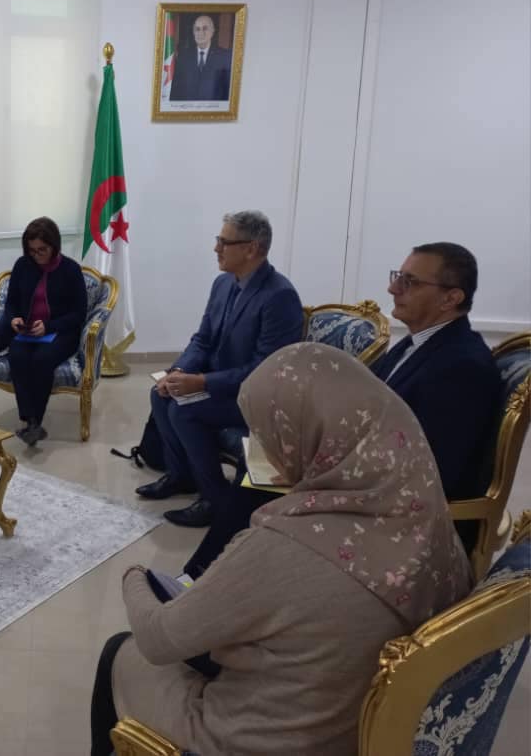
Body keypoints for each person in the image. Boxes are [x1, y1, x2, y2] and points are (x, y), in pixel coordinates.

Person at [90, 342, 473, 756]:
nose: (263, 449)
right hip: (357, 727)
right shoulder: (427, 518)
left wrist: (133, 576)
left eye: (267, 434)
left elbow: (159, 638)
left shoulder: (287, 545)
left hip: (258, 739)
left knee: (120, 651)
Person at [139, 211, 303, 528]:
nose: (216, 248)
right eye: (218, 240)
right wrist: (178, 371)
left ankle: (215, 500)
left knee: (184, 412)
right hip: (219, 386)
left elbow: (263, 370)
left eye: (224, 242)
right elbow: (203, 339)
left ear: (251, 248)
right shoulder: (223, 283)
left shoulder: (279, 296)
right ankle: (181, 476)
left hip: (254, 399)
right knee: (160, 395)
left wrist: (202, 382)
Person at [374, 242, 502, 548]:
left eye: (410, 281)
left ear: (451, 298)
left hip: (414, 530)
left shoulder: (463, 366)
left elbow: (432, 473)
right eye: (398, 276)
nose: (393, 288)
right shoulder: (415, 344)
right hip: (379, 494)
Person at [0, 217, 88, 447]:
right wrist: (14, 318)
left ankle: (35, 421)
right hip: (28, 331)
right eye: (32, 250)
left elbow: (79, 314)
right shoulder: (22, 265)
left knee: (42, 359)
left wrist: (49, 326)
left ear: (54, 246)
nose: (37, 255)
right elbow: (11, 303)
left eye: (42, 250)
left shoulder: (71, 270)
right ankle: (30, 420)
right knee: (17, 355)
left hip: (61, 332)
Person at [167, 15, 233, 102]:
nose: (200, 33)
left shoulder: (225, 57)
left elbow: (227, 92)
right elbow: (176, 91)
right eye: (197, 29)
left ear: (212, 31)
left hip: (213, 109)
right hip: (187, 109)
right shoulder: (183, 57)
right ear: (193, 32)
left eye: (205, 28)